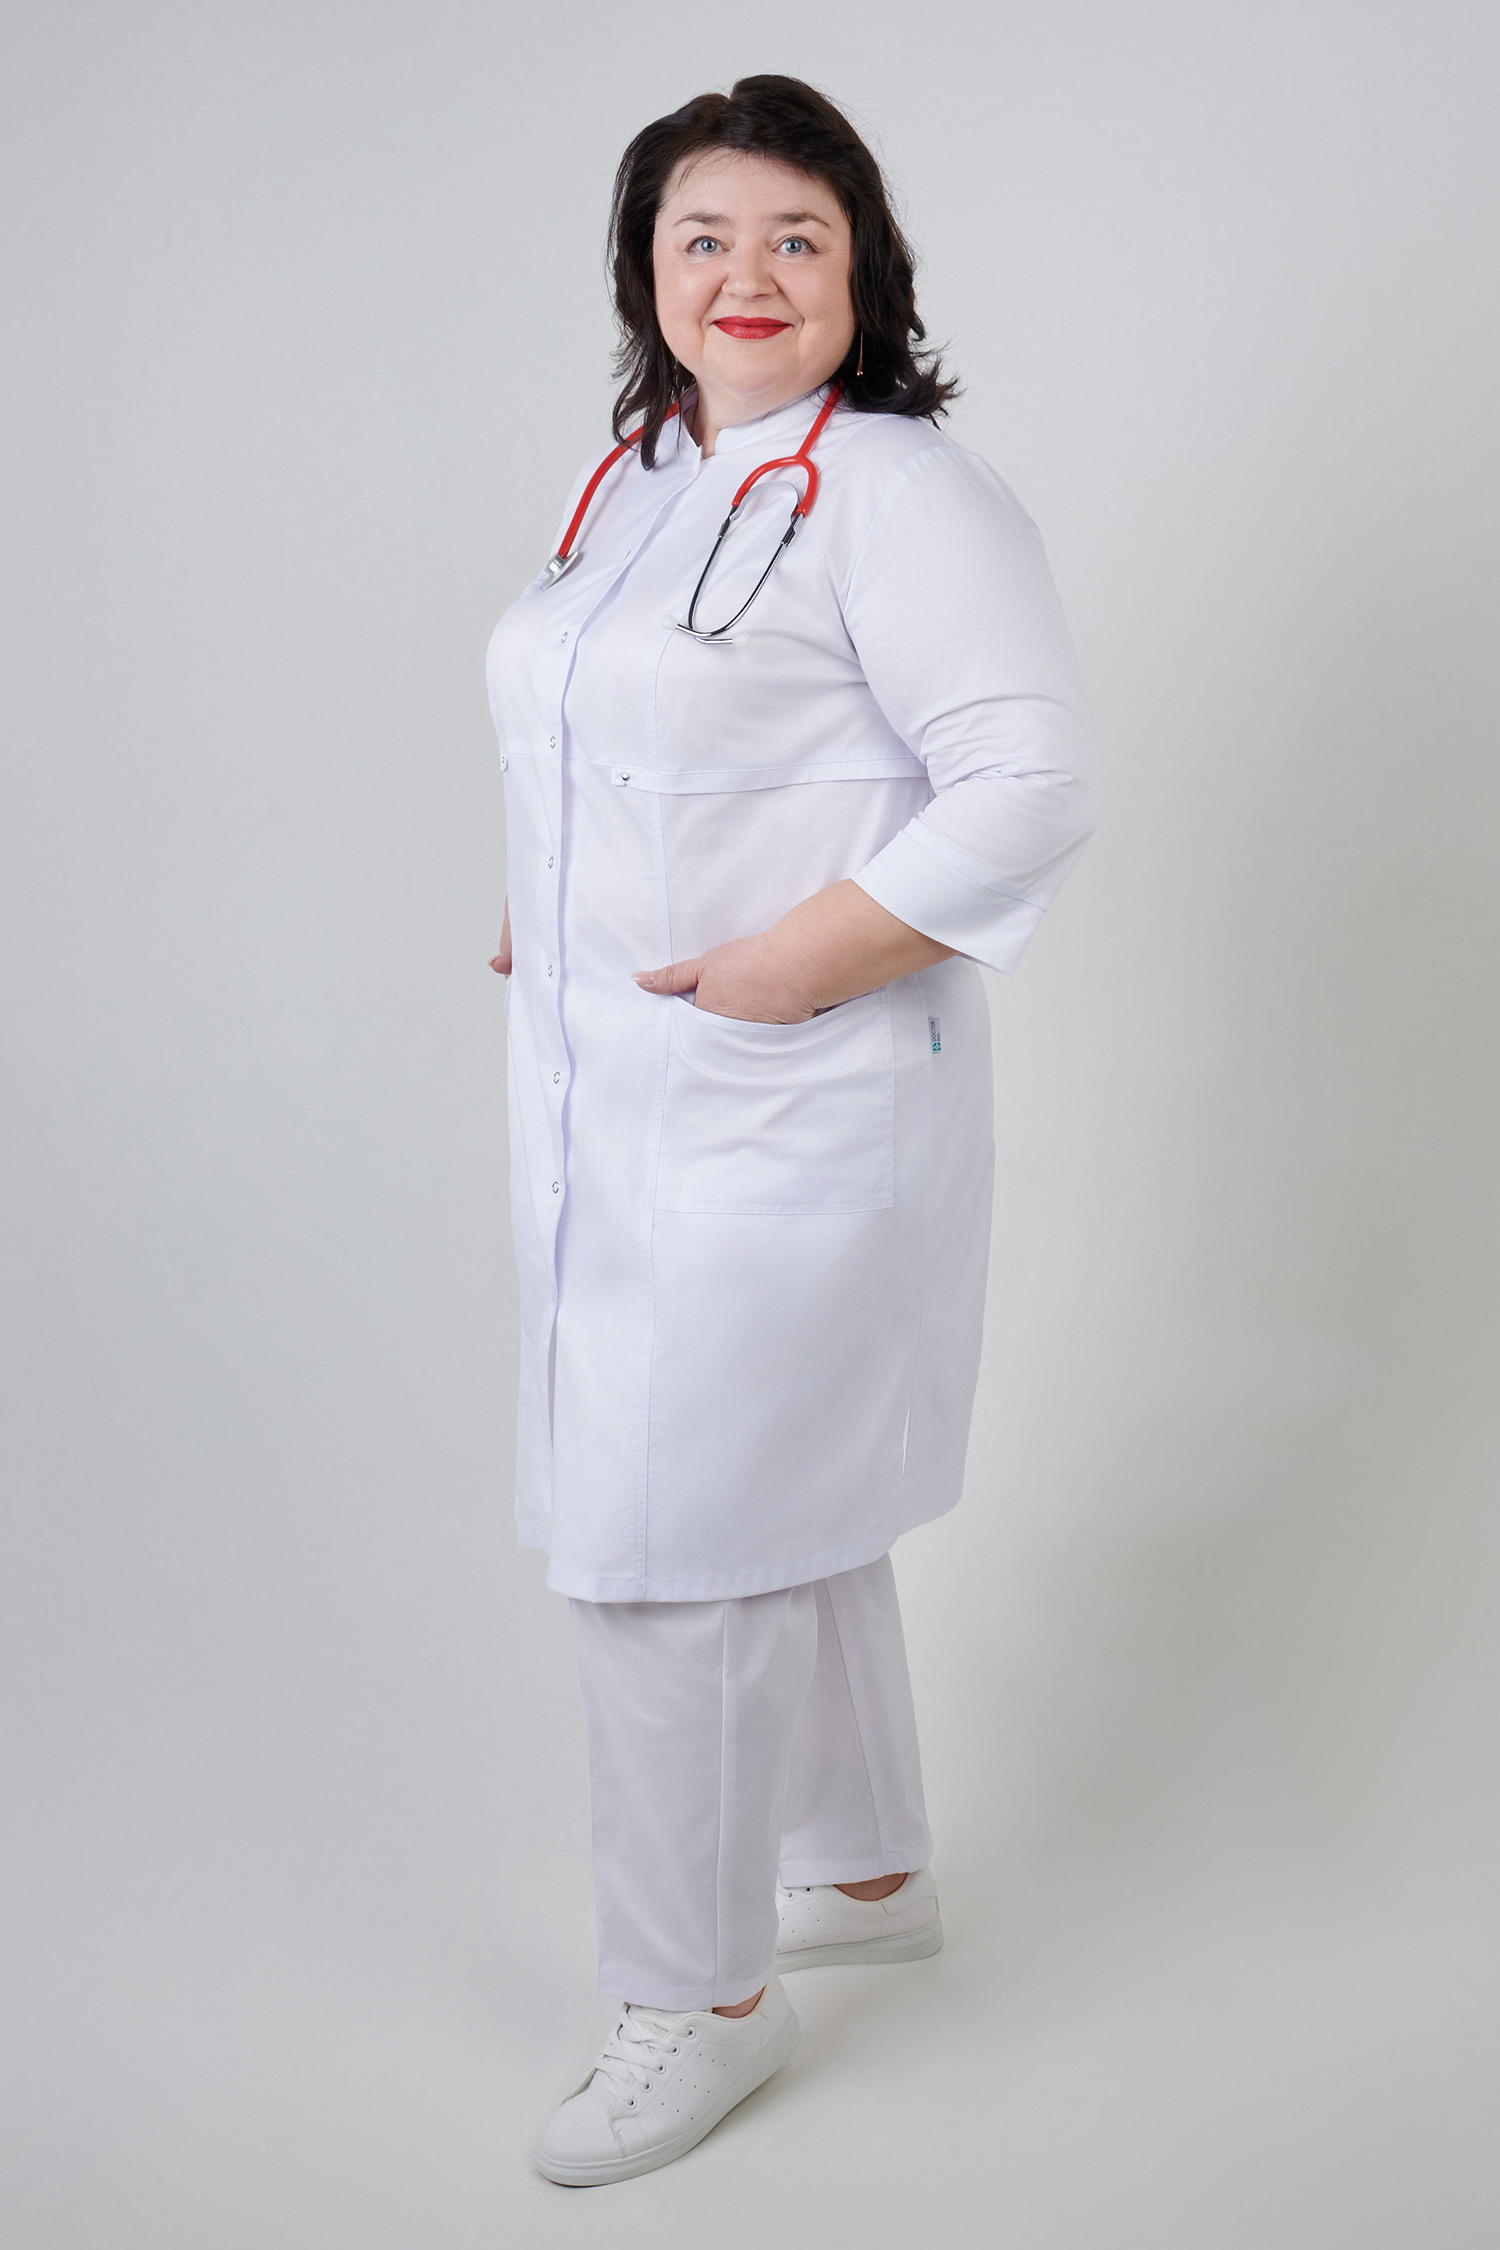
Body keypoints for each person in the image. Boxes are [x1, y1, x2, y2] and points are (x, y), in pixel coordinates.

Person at [485, 75, 1101, 2186]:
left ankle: (703, 1997)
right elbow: (630, 737)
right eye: (703, 238)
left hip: (785, 1093)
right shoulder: (649, 475)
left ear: (864, 269)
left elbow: (1027, 781)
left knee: (664, 1542)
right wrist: (552, 892)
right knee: (771, 1493)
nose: (745, 276)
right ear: (646, 273)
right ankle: (862, 1869)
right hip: (615, 1084)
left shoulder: (905, 493)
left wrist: (788, 963)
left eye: (796, 239)